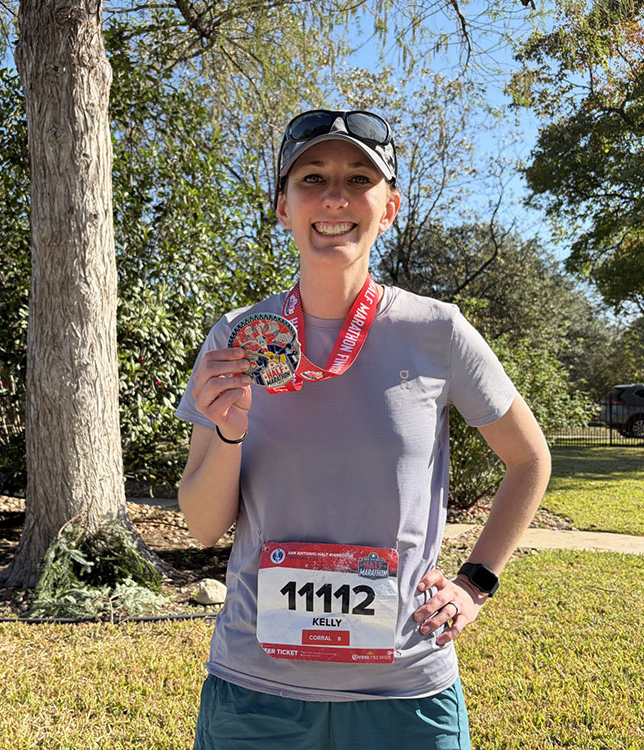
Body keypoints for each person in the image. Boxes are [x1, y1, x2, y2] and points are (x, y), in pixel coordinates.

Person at [176, 109, 552, 749]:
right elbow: (202, 525)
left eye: (358, 180)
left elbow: (530, 460)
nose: (334, 197)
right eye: (312, 178)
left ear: (389, 207)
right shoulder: (239, 339)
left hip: (404, 690)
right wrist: (231, 433)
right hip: (257, 690)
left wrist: (475, 584)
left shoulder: (437, 331)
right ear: (282, 207)